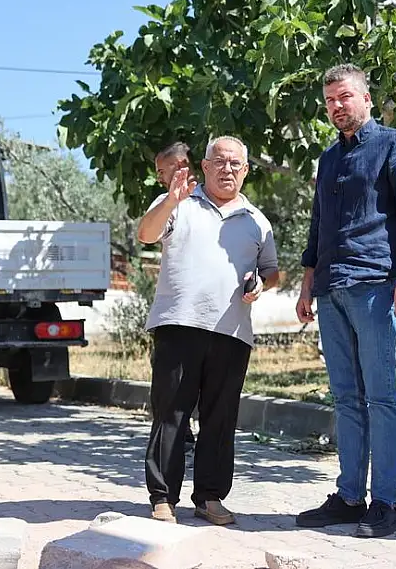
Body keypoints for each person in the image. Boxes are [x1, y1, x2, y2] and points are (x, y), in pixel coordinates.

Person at [294, 63, 396, 538]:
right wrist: (308, 282)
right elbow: (317, 227)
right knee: (346, 398)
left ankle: (385, 505)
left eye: (345, 97)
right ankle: (350, 496)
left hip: (375, 287)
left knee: (381, 398)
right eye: (331, 100)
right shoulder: (328, 159)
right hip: (330, 290)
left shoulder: (395, 145)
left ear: (366, 99)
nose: (337, 106)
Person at [137, 135, 280, 526]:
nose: (227, 169)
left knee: (220, 419)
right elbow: (146, 234)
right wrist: (170, 199)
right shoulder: (178, 200)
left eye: (236, 163)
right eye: (219, 162)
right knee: (171, 413)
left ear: (246, 170)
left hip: (232, 332)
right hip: (178, 324)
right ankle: (162, 497)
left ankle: (210, 497)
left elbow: (272, 271)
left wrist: (261, 284)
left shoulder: (257, 220)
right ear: (204, 166)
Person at [153, 141, 198, 449]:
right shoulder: (166, 204)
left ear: (181, 165)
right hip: (175, 315)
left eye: (161, 170)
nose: (158, 177)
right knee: (170, 395)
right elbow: (145, 235)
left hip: (216, 318)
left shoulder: (217, 201)